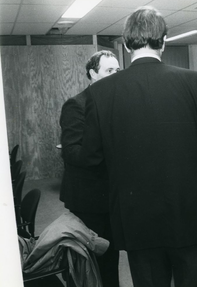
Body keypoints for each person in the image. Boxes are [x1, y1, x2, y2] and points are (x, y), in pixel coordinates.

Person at [79, 6, 197, 287]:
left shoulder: (99, 93)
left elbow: (91, 159)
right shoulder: (196, 83)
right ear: (164, 41)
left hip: (138, 223)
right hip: (194, 217)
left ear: (126, 44)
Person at [59, 50, 121, 287]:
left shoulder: (117, 103)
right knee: (92, 261)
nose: (115, 75)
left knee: (111, 255)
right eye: (109, 71)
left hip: (112, 196)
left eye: (117, 70)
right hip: (88, 198)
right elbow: (72, 153)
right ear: (93, 74)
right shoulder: (76, 105)